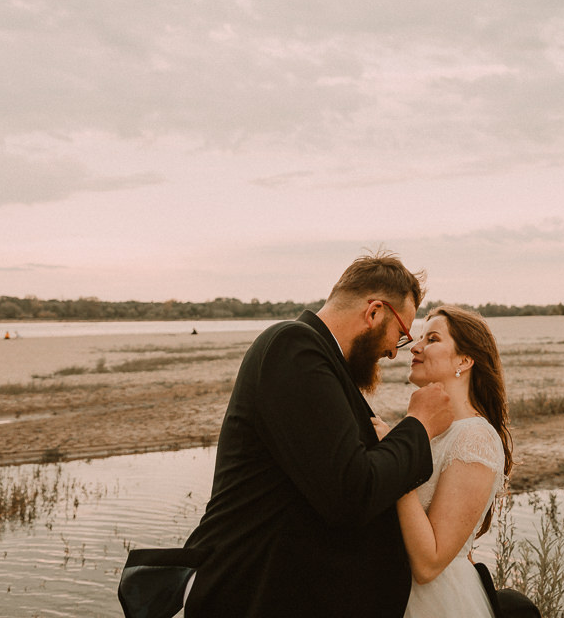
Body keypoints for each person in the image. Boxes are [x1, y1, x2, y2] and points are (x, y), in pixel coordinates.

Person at [181, 251, 455, 618]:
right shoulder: (293, 346)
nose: (393, 351)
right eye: (402, 334)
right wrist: (418, 426)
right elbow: (350, 491)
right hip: (253, 597)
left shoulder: (321, 361)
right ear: (374, 312)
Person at [377, 305, 516, 618]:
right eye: (420, 338)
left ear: (464, 361)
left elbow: (430, 563)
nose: (415, 345)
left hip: (436, 603)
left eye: (432, 339)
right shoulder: (427, 431)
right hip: (396, 596)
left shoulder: (475, 438)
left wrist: (395, 461)